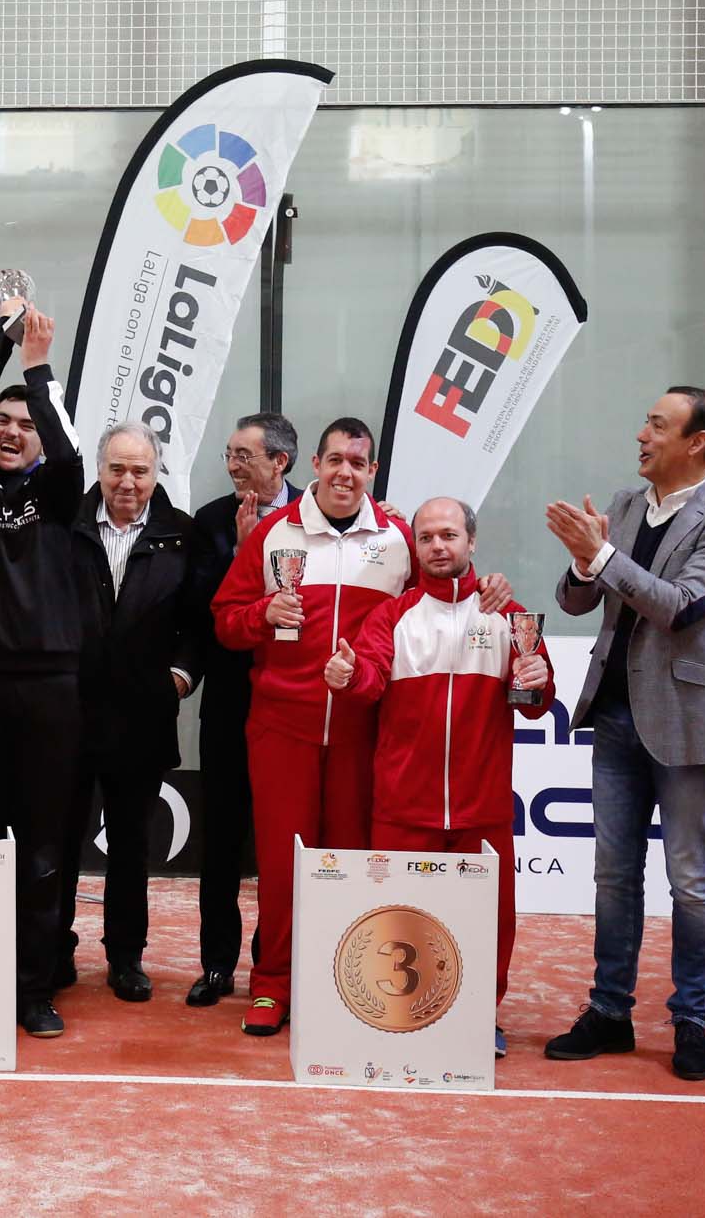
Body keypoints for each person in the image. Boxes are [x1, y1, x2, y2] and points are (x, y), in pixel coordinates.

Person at [212, 417, 514, 1037]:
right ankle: (272, 984)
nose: (345, 472)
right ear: (314, 466)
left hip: (362, 730)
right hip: (282, 725)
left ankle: (338, 983)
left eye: (358, 462)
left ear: (372, 472)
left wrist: (489, 590)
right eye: (334, 461)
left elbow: (440, 599)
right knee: (281, 862)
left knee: (352, 866)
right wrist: (264, 614)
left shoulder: (401, 538)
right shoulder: (273, 533)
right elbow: (224, 621)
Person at [541, 386, 705, 1083]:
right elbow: (576, 601)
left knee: (691, 880)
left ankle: (691, 1019)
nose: (641, 434)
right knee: (613, 876)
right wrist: (583, 563)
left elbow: (683, 608)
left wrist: (602, 556)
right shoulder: (627, 505)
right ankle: (610, 1011)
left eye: (657, 425)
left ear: (697, 441)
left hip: (690, 720)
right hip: (614, 712)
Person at [325, 496, 553, 1059]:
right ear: (415, 547)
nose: (437, 546)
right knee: (402, 923)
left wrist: (539, 677)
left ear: (470, 542)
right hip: (404, 807)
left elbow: (535, 703)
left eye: (448, 535)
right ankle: (404, 1016)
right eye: (426, 537)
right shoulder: (392, 617)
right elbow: (370, 680)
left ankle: (479, 1016)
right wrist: (347, 676)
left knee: (489, 923)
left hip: (483, 807)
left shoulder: (508, 615)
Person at [0, 297, 86, 1039]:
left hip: (49, 689)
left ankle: (33, 989)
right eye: (6, 421)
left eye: (25, 424)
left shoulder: (60, 496)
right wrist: (1, 341)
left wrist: (39, 373)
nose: (10, 431)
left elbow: (68, 455)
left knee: (39, 845)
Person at [61, 421, 202, 1003]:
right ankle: (51, 948)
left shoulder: (182, 536)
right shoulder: (64, 525)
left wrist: (177, 680)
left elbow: (198, 624)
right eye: (117, 468)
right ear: (100, 468)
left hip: (143, 717)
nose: (127, 481)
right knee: (60, 840)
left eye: (140, 471)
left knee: (130, 846)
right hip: (67, 713)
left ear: (155, 474)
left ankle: (126, 957)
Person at [185, 411, 300, 1008]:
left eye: (244, 455)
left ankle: (276, 965)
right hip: (230, 703)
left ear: (280, 461)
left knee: (285, 843)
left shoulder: (313, 519)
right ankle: (216, 964)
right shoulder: (209, 521)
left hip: (293, 705)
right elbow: (211, 609)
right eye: (229, 454)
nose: (232, 465)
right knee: (222, 839)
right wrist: (245, 545)